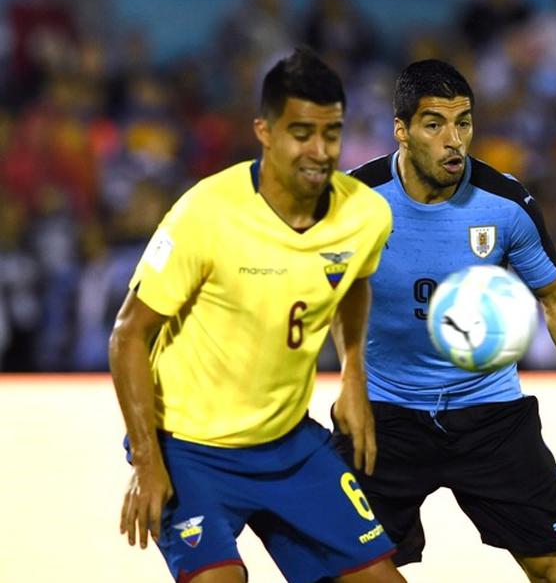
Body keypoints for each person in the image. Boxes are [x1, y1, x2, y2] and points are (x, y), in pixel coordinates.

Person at [335, 59, 556, 583]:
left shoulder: (506, 204)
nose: (454, 140)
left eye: (464, 122)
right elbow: (324, 295)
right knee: (354, 572)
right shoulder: (353, 202)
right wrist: (348, 380)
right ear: (402, 132)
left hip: (488, 414)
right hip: (384, 412)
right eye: (434, 124)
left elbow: (555, 293)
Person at [109, 47, 405, 583]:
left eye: (332, 133)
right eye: (301, 132)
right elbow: (128, 334)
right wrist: (146, 461)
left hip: (287, 442)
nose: (319, 151)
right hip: (188, 450)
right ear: (264, 132)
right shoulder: (205, 212)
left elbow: (354, 282)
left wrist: (354, 372)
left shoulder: (365, 215)